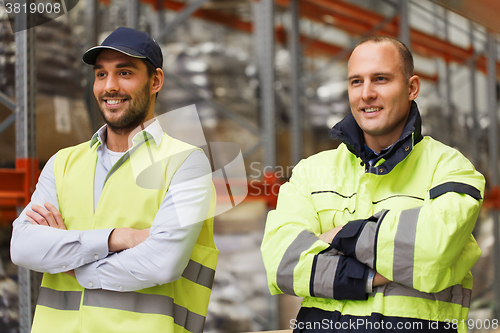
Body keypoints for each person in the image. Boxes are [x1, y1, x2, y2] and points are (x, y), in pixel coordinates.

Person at [261, 36, 485, 333]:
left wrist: (339, 235)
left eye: (380, 79)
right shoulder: (310, 172)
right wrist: (373, 274)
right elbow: (282, 263)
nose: (366, 93)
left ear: (412, 87)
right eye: (356, 82)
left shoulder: (449, 168)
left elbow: (431, 250)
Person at [10, 27, 218, 333]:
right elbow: (23, 247)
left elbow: (162, 262)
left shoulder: (186, 163)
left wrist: (70, 265)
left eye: (124, 73)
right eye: (100, 75)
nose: (109, 86)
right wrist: (117, 238)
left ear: (155, 81)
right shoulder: (63, 163)